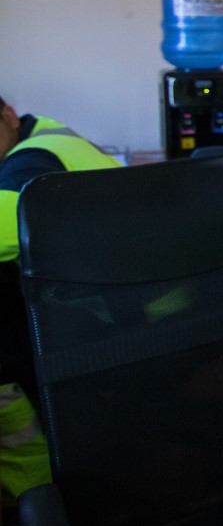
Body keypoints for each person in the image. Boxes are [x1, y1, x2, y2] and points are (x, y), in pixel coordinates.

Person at [0, 94, 120, 500]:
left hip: (110, 308)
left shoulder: (31, 161)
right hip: (138, 296)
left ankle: (38, 491)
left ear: (9, 115)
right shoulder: (52, 138)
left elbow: (10, 227)